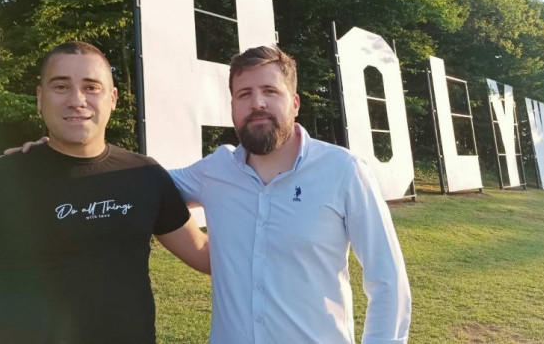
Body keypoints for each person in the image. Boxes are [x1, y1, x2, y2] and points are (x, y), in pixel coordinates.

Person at [0, 41, 210, 344]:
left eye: (91, 87)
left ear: (112, 98)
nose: (77, 100)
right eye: (61, 86)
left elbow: (205, 254)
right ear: (40, 97)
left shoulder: (145, 175)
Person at [171, 45, 411, 344]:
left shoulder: (343, 170)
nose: (257, 103)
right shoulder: (214, 171)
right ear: (232, 108)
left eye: (270, 91)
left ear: (295, 103)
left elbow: (387, 278)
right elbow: (146, 183)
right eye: (244, 94)